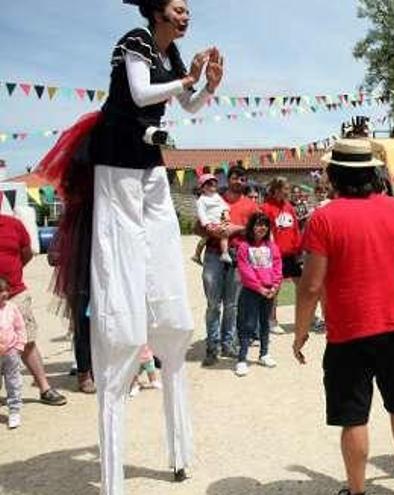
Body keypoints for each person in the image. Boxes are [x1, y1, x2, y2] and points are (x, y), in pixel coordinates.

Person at [33, 0, 226, 490]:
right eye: (179, 8)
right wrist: (185, 82)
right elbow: (141, 94)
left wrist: (206, 87)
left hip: (148, 161)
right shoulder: (135, 42)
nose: (186, 15)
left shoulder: (173, 52)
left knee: (160, 243)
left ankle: (178, 443)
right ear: (159, 12)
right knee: (120, 252)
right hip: (115, 158)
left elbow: (185, 105)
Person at [292, 139, 394, 495]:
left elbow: (309, 286)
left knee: (354, 415)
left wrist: (300, 333)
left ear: (334, 175)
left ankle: (357, 491)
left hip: (348, 333)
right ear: (372, 173)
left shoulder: (324, 217)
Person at [0, 212, 67, 406]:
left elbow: (27, 253)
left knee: (27, 341)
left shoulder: (14, 225)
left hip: (15, 294)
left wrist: (10, 277)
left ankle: (44, 387)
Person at [201, 164, 259, 366]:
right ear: (229, 178)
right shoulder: (213, 199)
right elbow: (196, 227)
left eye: (242, 179)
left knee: (232, 304)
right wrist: (211, 229)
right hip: (214, 253)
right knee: (213, 304)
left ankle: (228, 343)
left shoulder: (250, 206)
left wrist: (237, 228)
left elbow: (258, 231)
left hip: (237, 256)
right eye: (235, 178)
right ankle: (212, 345)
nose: (239, 182)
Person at [234, 212, 282, 377]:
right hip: (252, 292)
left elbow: (277, 266)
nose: (262, 228)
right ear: (251, 227)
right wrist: (259, 287)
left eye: (265, 225)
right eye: (258, 224)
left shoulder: (272, 247)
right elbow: (245, 271)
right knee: (248, 324)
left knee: (265, 323)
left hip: (269, 291)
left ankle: (264, 353)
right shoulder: (244, 247)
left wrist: (275, 286)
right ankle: (242, 359)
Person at [261, 177, 302, 335]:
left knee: (303, 286)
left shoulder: (289, 207)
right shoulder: (266, 208)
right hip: (275, 255)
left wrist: (298, 249)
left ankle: (306, 316)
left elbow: (295, 229)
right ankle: (272, 320)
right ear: (277, 189)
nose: (287, 192)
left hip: (291, 254)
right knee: (275, 288)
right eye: (285, 189)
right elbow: (264, 232)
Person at [0, 277, 26, 429]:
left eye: (6, 291)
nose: (4, 294)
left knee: (13, 382)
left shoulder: (11, 308)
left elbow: (20, 327)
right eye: (0, 291)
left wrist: (19, 346)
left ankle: (14, 410)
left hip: (11, 352)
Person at [192, 173, 231, 265]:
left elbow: (224, 205)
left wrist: (226, 212)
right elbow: (201, 214)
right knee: (214, 237)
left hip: (219, 221)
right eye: (209, 185)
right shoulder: (201, 200)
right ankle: (198, 254)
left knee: (224, 234)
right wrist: (206, 224)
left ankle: (224, 253)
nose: (212, 187)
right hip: (211, 223)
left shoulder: (217, 196)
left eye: (214, 184)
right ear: (202, 188)